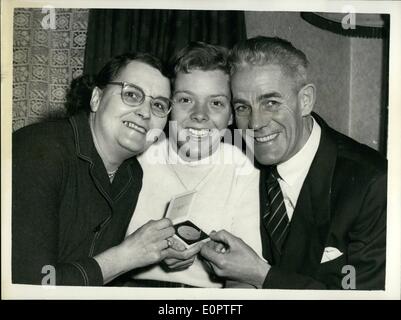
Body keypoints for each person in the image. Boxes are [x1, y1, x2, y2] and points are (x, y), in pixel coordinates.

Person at [200, 36, 387, 290]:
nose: (255, 124)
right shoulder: (238, 159)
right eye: (243, 107)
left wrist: (261, 276)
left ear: (306, 100)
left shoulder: (373, 183)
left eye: (271, 103)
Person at [12, 52, 176, 286]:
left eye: (158, 105)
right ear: (96, 99)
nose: (145, 112)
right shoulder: (37, 150)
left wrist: (157, 252)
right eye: (131, 94)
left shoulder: (130, 175)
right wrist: (127, 256)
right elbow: (31, 283)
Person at [123, 42, 262, 288]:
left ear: (230, 115)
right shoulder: (138, 154)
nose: (200, 114)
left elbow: (245, 281)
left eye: (216, 103)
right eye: (186, 99)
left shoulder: (243, 168)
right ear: (168, 106)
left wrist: (212, 261)